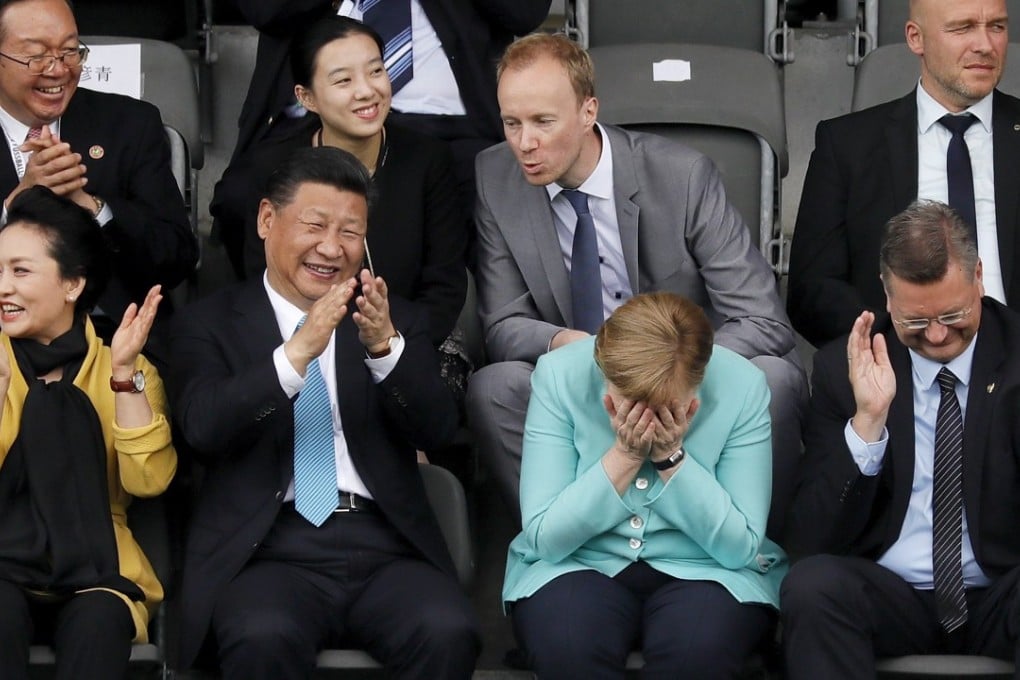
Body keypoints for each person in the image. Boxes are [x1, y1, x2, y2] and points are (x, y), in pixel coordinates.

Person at [468, 33, 806, 533]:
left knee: (773, 378)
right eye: (511, 122)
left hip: (689, 379)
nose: (524, 143)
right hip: (583, 379)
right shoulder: (494, 175)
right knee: (493, 387)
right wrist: (572, 345)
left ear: (588, 112)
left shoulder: (682, 175)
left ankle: (751, 543)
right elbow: (502, 325)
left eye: (543, 121)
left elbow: (763, 319)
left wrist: (671, 367)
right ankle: (562, 539)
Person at [171, 146, 479, 679]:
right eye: (315, 226)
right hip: (268, 549)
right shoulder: (209, 323)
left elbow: (437, 428)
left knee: (447, 631)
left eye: (351, 233)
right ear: (268, 219)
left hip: (384, 543)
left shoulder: (390, 317)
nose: (331, 249)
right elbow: (202, 427)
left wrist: (386, 351)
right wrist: (295, 355)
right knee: (260, 636)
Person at [781, 200, 1020, 678]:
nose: (935, 336)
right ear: (887, 299)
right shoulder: (842, 369)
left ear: (978, 277)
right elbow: (809, 540)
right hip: (892, 594)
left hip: (1002, 588)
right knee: (812, 586)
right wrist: (867, 424)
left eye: (952, 314)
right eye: (915, 321)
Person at [503, 292, 787, 679]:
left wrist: (671, 458)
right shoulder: (559, 374)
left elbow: (740, 547)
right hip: (576, 562)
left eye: (663, 405)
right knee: (568, 647)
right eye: (630, 402)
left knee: (697, 655)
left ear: (697, 382)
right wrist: (623, 456)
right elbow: (544, 537)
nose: (645, 418)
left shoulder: (742, 385)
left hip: (708, 568)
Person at [0, 186, 177, 680]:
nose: (3, 287)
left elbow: (149, 482)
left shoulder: (126, 365)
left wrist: (123, 376)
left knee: (99, 620)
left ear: (73, 284)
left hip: (97, 567)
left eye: (20, 271)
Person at [220, 0, 551, 263]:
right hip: (319, 115)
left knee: (494, 196)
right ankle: (273, 332)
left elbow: (524, 11)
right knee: (238, 196)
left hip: (447, 122)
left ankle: (474, 334)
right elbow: (265, 9)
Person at [211, 15, 466, 354]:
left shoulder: (427, 160)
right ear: (307, 98)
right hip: (300, 348)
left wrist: (386, 345)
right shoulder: (272, 168)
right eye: (343, 80)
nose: (367, 91)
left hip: (402, 343)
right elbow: (262, 282)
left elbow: (443, 288)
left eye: (376, 71)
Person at [787, 0, 1020, 347]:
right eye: (963, 28)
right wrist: (900, 340)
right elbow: (813, 290)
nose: (985, 45)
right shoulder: (847, 145)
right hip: (897, 362)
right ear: (916, 38)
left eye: (997, 27)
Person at [0, 0, 197, 338]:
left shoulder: (129, 124)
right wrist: (15, 204)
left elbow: (175, 257)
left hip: (110, 335)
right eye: (36, 55)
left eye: (70, 51)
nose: (58, 69)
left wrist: (93, 207)